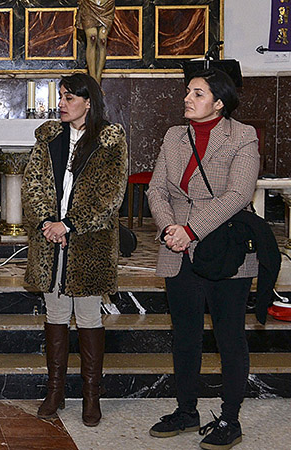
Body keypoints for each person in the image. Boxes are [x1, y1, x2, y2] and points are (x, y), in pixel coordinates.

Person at [147, 68, 259, 450]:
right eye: (188, 92)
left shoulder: (242, 136)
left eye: (197, 94)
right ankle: (186, 409)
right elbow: (156, 189)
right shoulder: (173, 136)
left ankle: (230, 418)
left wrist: (190, 230)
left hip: (223, 249)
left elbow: (238, 194)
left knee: (230, 338)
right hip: (177, 249)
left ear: (219, 102)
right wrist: (169, 230)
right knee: (185, 338)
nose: (187, 99)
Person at [22, 73, 127, 427]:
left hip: (89, 242)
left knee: (87, 316)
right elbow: (32, 183)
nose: (61, 104)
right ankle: (54, 390)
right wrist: (46, 224)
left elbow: (109, 196)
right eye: (61, 97)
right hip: (50, 240)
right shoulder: (49, 137)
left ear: (88, 102)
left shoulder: (110, 140)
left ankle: (90, 395)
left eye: (69, 98)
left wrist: (69, 224)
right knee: (55, 313)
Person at [76, 0, 115, 84]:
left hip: (106, 4)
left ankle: (98, 80)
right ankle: (93, 80)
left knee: (102, 40)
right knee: (92, 38)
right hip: (89, 4)